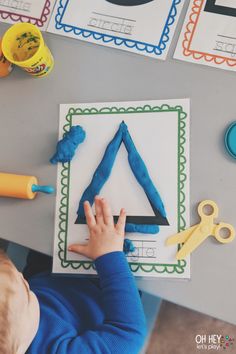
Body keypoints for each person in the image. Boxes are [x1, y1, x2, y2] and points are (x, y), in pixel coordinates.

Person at [0, 196, 147, 354]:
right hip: (103, 290)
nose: (22, 278)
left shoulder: (17, 325)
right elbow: (129, 334)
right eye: (26, 293)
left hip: (46, 275)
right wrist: (110, 255)